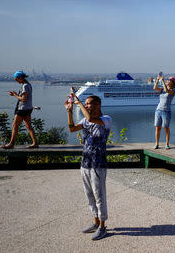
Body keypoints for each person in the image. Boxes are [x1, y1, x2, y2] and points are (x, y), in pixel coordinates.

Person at [65, 94, 112, 241]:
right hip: (85, 163)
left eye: (88, 103)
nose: (86, 105)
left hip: (98, 164)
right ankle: (95, 222)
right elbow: (72, 129)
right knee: (89, 195)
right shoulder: (85, 120)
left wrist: (78, 102)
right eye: (85, 103)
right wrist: (69, 112)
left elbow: (92, 120)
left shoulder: (106, 119)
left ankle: (103, 227)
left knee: (99, 196)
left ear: (98, 105)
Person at [1, 70, 38, 149]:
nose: (17, 81)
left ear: (20, 78)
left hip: (22, 109)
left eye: (17, 79)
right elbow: (24, 97)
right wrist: (17, 95)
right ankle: (35, 143)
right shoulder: (28, 84)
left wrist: (15, 95)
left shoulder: (25, 86)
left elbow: (24, 99)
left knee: (15, 126)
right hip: (28, 108)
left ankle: (11, 144)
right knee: (28, 126)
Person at [153, 74, 175, 149]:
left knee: (166, 128)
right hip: (158, 110)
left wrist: (162, 81)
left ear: (172, 83)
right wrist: (157, 80)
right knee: (157, 127)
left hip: (166, 111)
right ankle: (157, 144)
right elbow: (154, 88)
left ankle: (167, 144)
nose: (167, 81)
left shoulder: (172, 91)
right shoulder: (162, 89)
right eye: (167, 80)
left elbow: (167, 90)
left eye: (169, 80)